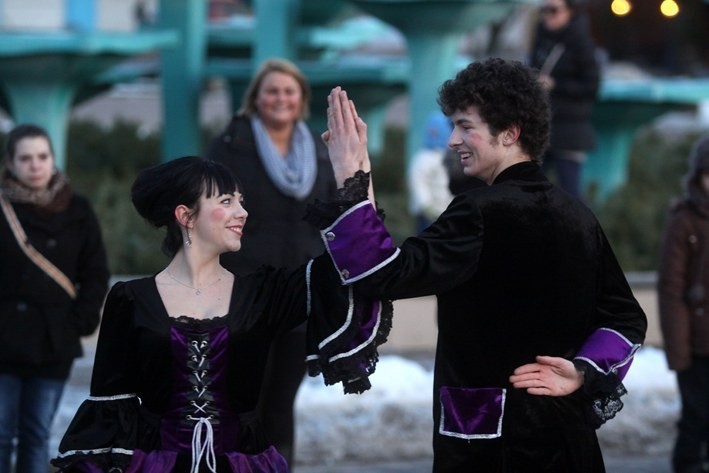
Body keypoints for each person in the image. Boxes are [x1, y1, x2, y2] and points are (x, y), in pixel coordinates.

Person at [320, 58, 647, 472]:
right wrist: (583, 371)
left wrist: (352, 174)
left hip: (493, 449)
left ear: (510, 133)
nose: (453, 139)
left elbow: (384, 272)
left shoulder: (478, 212)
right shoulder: (578, 215)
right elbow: (626, 318)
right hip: (566, 440)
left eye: (465, 126)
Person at [51, 156, 390, 473]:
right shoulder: (131, 299)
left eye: (240, 201)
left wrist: (354, 169)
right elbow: (111, 403)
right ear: (186, 216)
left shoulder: (262, 295)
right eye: (226, 202)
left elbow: (351, 265)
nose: (241, 212)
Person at [205, 58, 337, 468]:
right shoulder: (230, 147)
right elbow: (208, 214)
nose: (280, 98)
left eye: (288, 91)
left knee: (281, 404)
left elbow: (333, 215)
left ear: (301, 100)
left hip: (300, 295)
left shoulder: (319, 150)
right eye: (272, 91)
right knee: (244, 401)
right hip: (245, 295)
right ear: (256, 99)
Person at [0, 124, 109, 473]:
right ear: (11, 163)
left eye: (42, 157)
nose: (35, 165)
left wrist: (81, 319)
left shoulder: (77, 209)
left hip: (54, 340)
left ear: (53, 159)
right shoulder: (3, 209)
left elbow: (95, 272)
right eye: (26, 158)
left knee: (36, 433)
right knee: (0, 434)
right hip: (3, 340)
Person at [658, 136, 709, 473]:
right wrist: (679, 351)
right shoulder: (685, 220)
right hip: (697, 345)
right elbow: (671, 290)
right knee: (698, 415)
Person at [528, 0, 600, 200]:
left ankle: (580, 231)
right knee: (529, 188)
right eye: (544, 10)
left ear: (570, 11)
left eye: (554, 10)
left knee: (570, 192)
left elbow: (592, 87)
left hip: (569, 129)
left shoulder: (581, 42)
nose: (547, 15)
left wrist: (555, 84)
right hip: (542, 125)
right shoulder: (542, 37)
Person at [407, 111, 454, 232]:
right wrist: (426, 205)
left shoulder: (449, 156)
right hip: (428, 214)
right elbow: (418, 183)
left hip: (446, 211)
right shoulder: (424, 157)